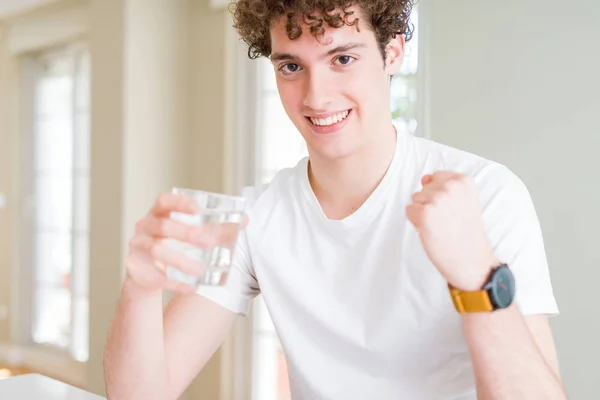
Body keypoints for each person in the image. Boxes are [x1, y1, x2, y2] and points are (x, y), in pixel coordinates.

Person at [104, 1, 567, 399]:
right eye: (291, 67)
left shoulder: (485, 194)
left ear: (392, 53)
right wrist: (140, 289)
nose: (316, 96)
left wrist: (477, 276)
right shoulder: (256, 218)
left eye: (342, 58)